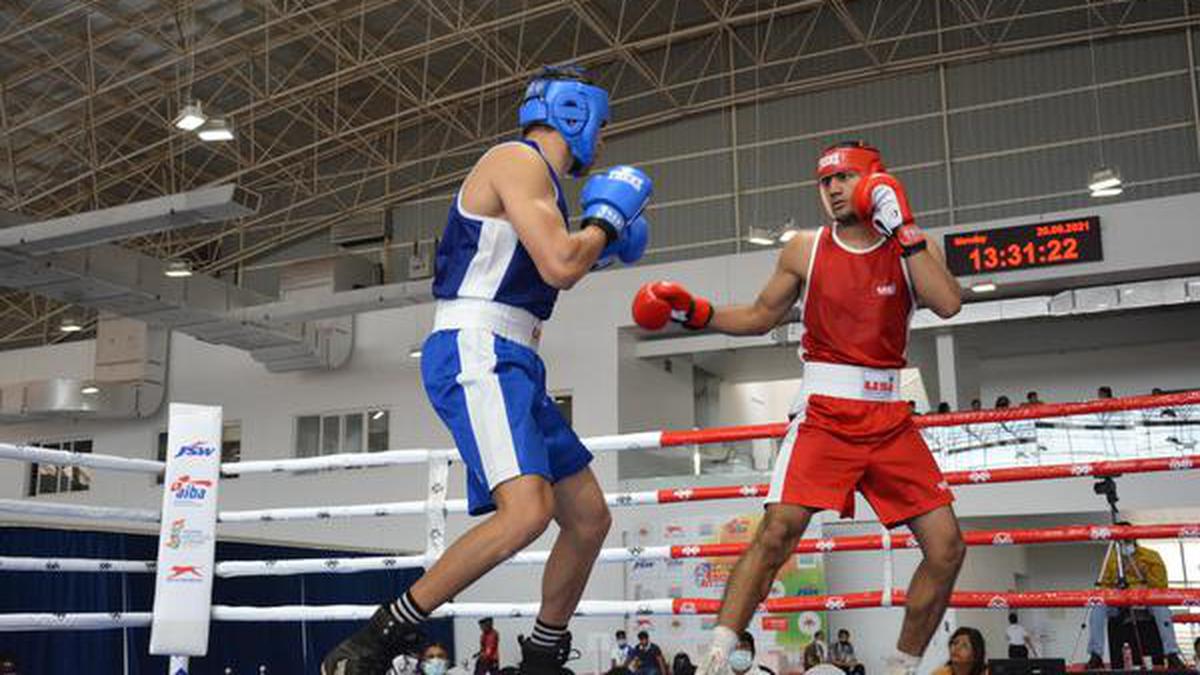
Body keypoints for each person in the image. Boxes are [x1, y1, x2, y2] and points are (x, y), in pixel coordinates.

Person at [322, 66, 654, 675]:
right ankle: (371, 643)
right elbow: (559, 264)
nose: (602, 141)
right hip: (479, 346)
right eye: (601, 127)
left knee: (586, 519)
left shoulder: (544, 190)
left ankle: (544, 658)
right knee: (526, 510)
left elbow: (549, 264)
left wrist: (600, 243)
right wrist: (606, 224)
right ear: (574, 115)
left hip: (516, 357)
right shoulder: (517, 161)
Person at [634, 141, 965, 675]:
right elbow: (760, 315)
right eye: (824, 181)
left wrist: (905, 229)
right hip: (826, 414)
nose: (832, 189)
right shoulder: (805, 249)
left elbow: (948, 303)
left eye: (845, 178)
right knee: (777, 531)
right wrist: (696, 311)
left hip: (889, 419)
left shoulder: (913, 250)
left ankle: (903, 665)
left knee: (947, 547)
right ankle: (715, 660)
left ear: (876, 181)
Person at [1085, 532, 1186, 669]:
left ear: (1134, 537)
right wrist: (1116, 587)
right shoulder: (1113, 559)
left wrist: (1144, 574)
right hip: (1120, 603)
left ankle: (1171, 653)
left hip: (1146, 601)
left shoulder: (1151, 556)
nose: (1124, 543)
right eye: (1120, 540)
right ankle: (1095, 655)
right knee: (1098, 606)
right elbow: (1104, 588)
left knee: (1162, 607)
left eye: (1126, 539)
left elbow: (1161, 586)